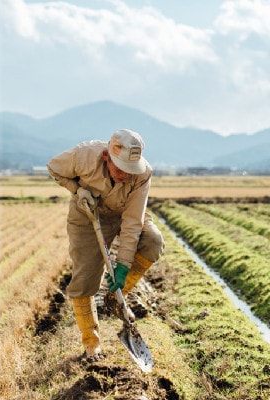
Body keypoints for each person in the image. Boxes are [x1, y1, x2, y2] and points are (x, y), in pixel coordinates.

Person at [47, 129, 165, 361]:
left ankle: (114, 297)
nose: (124, 175)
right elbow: (54, 167)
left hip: (123, 212)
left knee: (153, 240)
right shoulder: (83, 156)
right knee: (85, 278)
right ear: (106, 157)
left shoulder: (143, 174)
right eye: (120, 169)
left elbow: (132, 222)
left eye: (130, 170)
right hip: (86, 213)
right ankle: (92, 344)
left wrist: (122, 266)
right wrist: (78, 190)